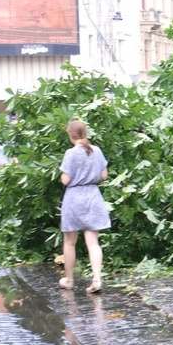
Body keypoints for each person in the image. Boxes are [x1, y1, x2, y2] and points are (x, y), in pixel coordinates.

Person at [58, 120, 110, 294]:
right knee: (93, 242)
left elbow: (65, 179)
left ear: (70, 135)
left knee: (70, 242)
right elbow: (104, 175)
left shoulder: (70, 153)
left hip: (74, 198)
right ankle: (96, 279)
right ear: (85, 133)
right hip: (93, 197)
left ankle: (69, 280)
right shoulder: (97, 151)